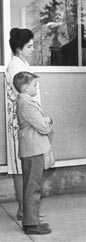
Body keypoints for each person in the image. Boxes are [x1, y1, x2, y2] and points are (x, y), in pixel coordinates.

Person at [5, 28, 42, 221]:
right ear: (19, 48)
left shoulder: (21, 63)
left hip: (24, 122)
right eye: (29, 46)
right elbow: (26, 99)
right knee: (22, 168)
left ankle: (27, 208)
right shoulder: (16, 67)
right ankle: (25, 209)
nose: (33, 49)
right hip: (23, 125)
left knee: (24, 167)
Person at [13, 71, 53, 235]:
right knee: (33, 186)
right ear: (25, 88)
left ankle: (33, 220)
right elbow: (43, 127)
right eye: (34, 85)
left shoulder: (25, 101)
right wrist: (48, 121)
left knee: (33, 185)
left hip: (32, 148)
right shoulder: (27, 104)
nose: (37, 88)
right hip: (33, 149)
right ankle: (31, 224)